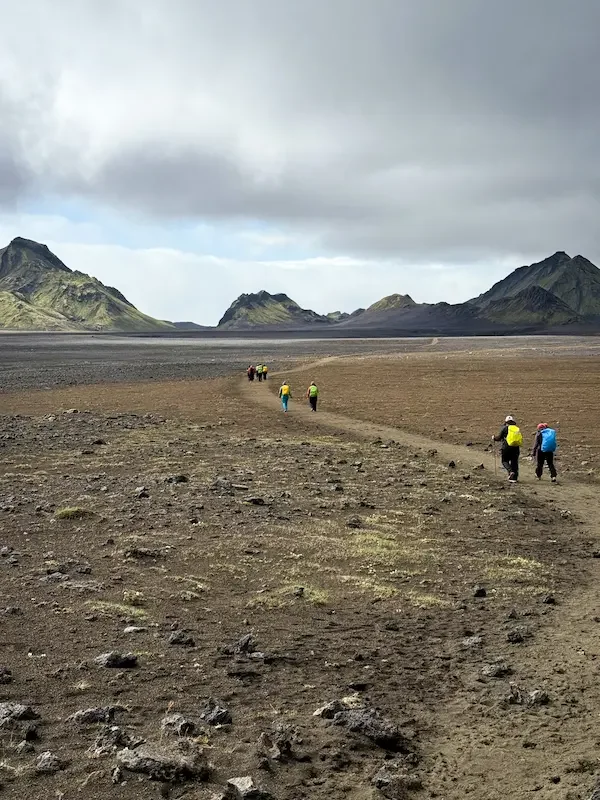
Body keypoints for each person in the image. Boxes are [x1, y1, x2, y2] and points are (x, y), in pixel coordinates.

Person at [492, 414, 523, 483]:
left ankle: (510, 471)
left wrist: (494, 438)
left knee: (504, 461)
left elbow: (499, 438)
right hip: (516, 448)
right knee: (514, 462)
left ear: (506, 422)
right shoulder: (516, 429)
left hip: (506, 447)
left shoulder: (505, 428)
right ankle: (514, 478)